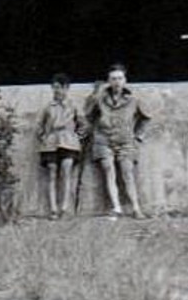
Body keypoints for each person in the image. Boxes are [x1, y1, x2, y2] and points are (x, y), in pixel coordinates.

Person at [84, 63, 151, 218]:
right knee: (109, 171)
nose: (117, 82)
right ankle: (117, 207)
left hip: (126, 141)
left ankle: (136, 208)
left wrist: (138, 136)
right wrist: (94, 96)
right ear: (108, 80)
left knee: (127, 173)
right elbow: (88, 115)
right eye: (113, 79)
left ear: (125, 80)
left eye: (120, 78)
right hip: (103, 141)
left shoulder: (133, 100)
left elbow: (146, 118)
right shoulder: (100, 99)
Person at [34, 74, 85, 219]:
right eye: (54, 88)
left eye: (60, 88)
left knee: (66, 171)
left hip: (69, 142)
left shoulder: (73, 106)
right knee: (52, 173)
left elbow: (83, 124)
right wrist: (43, 136)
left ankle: (65, 208)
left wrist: (77, 137)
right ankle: (53, 209)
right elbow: (38, 125)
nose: (57, 91)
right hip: (50, 143)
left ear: (66, 88)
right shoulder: (48, 107)